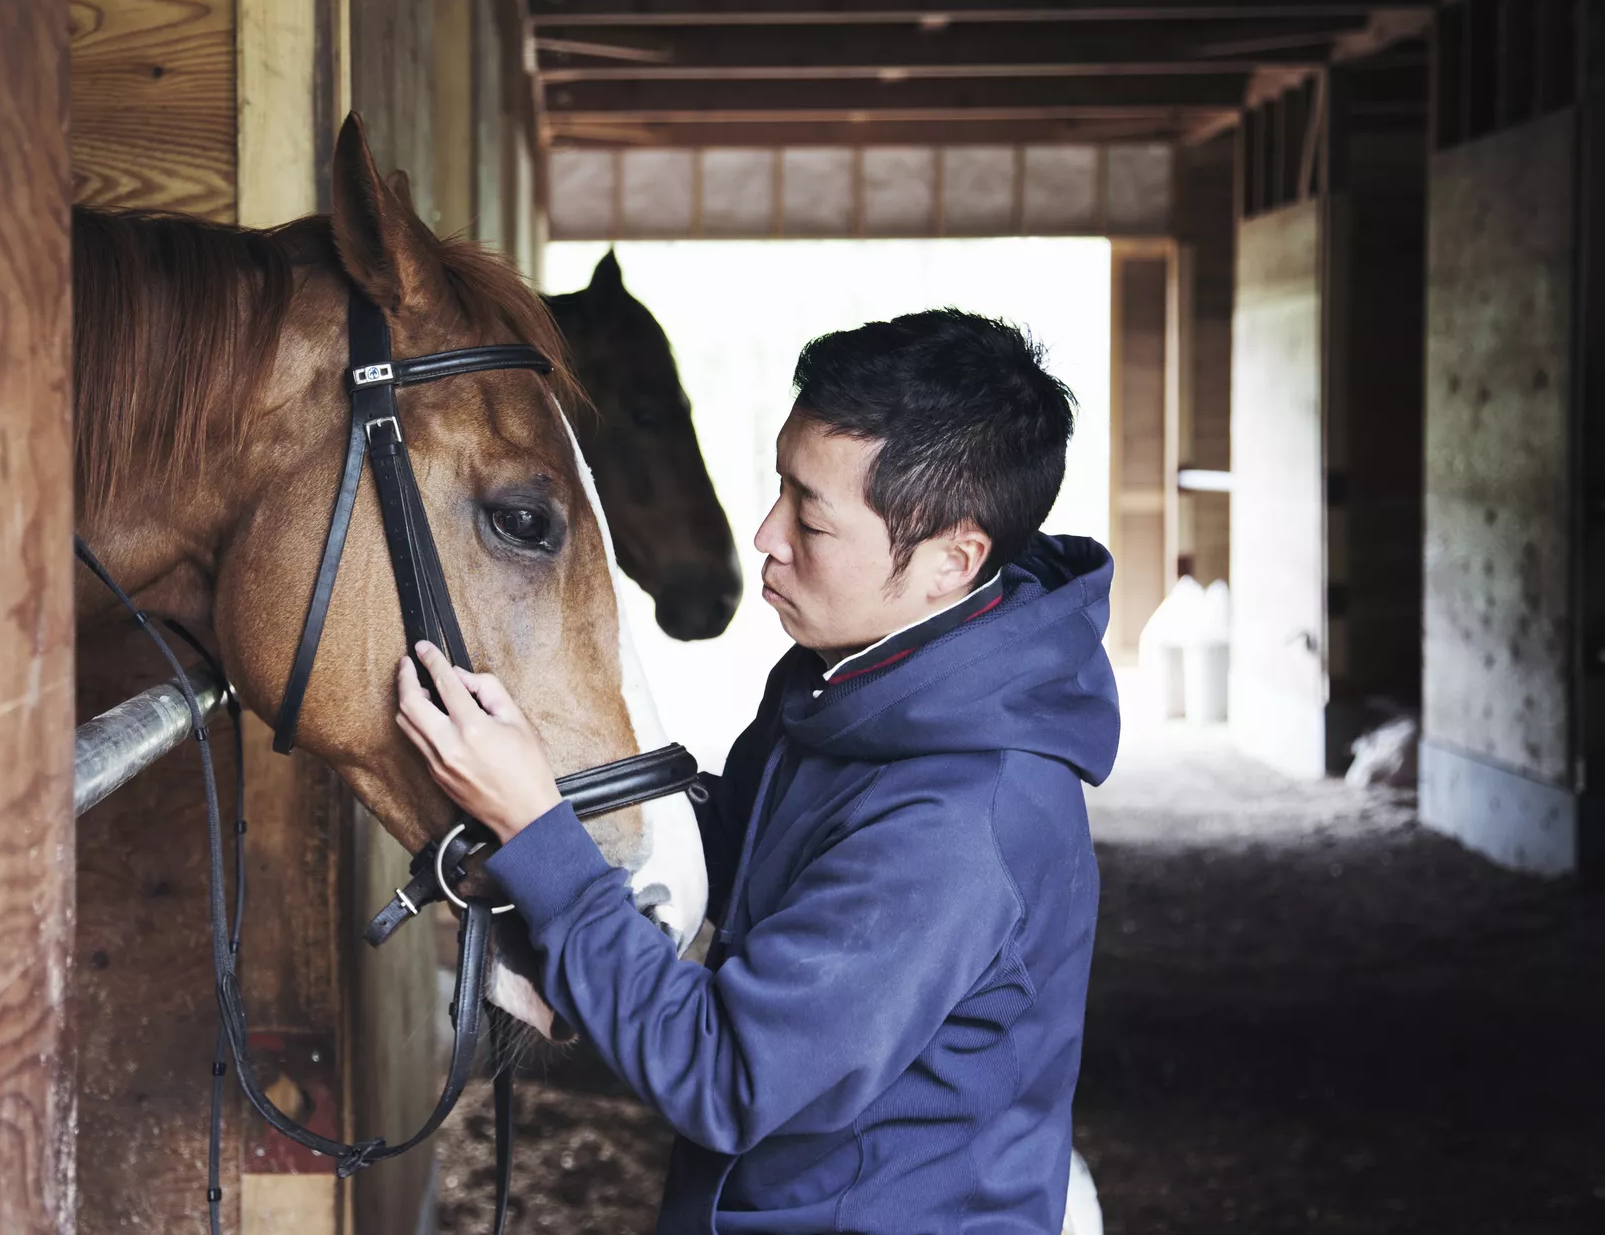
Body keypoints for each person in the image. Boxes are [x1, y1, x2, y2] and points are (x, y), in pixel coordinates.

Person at [395, 309, 1118, 1235]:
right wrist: (553, 789)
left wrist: (542, 839)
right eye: (779, 486)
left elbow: (727, 1076)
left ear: (952, 559)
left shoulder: (957, 824)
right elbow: (741, 845)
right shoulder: (863, 674)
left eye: (810, 517)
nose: (766, 534)